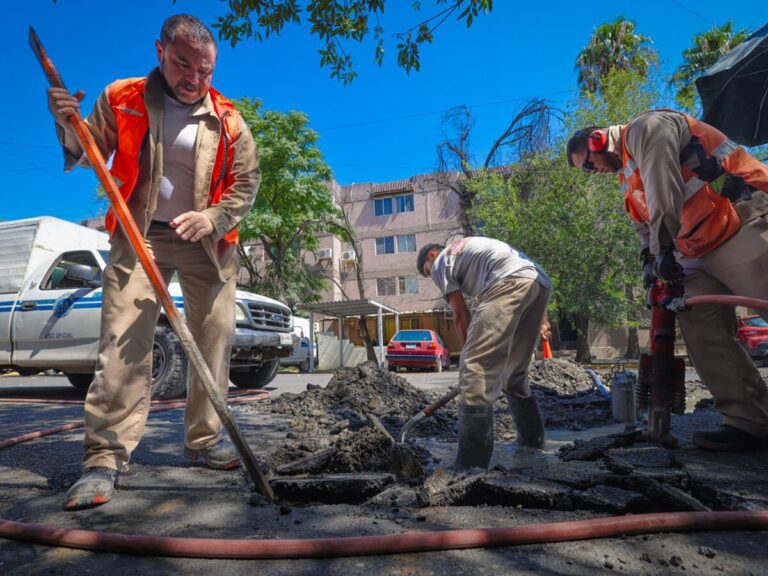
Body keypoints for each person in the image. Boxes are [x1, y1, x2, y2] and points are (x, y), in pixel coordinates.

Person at [48, 14, 260, 509]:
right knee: (123, 337)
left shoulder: (229, 120)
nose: (194, 78)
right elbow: (89, 150)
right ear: (160, 51)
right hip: (139, 231)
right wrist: (67, 123)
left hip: (207, 240)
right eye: (184, 64)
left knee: (214, 335)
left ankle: (204, 440)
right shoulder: (122, 96)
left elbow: (247, 182)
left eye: (205, 70)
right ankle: (104, 459)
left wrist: (213, 217)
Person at [566, 109, 768, 452]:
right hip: (696, 248)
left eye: (587, 164)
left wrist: (662, 250)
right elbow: (642, 223)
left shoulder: (647, 128)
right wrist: (649, 260)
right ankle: (750, 420)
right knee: (700, 326)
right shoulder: (627, 176)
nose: (592, 172)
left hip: (739, 216)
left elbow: (663, 188)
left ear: (597, 140)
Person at [416, 237, 552, 470]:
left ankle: (470, 466)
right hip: (539, 282)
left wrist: (471, 359)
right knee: (514, 375)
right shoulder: (469, 251)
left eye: (427, 272)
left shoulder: (441, 261)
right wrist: (543, 318)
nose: (432, 277)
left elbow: (461, 315)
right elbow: (524, 273)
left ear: (432, 255)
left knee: (474, 370)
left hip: (508, 282)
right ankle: (532, 445)